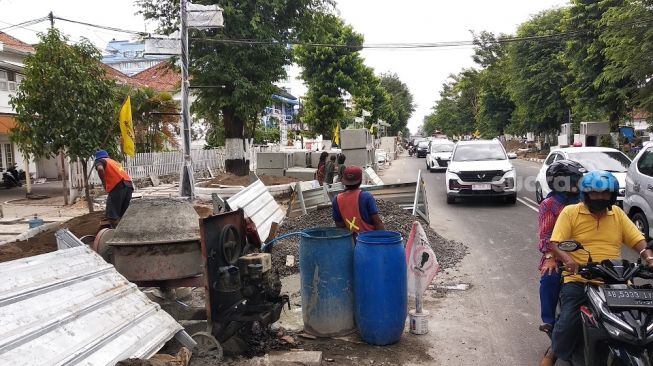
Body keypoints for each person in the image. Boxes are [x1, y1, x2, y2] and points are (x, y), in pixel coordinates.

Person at [540, 171, 653, 366]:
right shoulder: (570, 212)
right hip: (580, 278)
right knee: (568, 320)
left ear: (612, 195)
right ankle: (553, 352)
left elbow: (637, 240)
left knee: (643, 319)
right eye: (595, 193)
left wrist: (648, 257)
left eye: (605, 194)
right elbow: (555, 243)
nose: (600, 198)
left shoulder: (617, 214)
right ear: (586, 194)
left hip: (616, 279)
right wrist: (568, 260)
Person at [537, 160, 585, 336]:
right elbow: (546, 236)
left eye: (577, 178)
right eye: (571, 179)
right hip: (557, 253)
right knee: (550, 277)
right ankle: (549, 321)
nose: (575, 183)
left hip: (587, 251)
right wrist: (550, 256)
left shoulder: (586, 200)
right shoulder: (549, 204)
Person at [332, 166, 384, 234]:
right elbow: (377, 221)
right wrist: (384, 239)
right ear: (360, 181)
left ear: (344, 181)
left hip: (350, 241)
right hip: (369, 240)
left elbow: (339, 224)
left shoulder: (336, 199)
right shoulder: (366, 197)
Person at [94, 150, 134, 228]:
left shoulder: (100, 161)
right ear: (107, 156)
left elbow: (100, 169)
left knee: (111, 216)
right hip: (129, 185)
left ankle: (117, 236)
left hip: (118, 186)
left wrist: (104, 183)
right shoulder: (113, 162)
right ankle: (126, 233)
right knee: (122, 215)